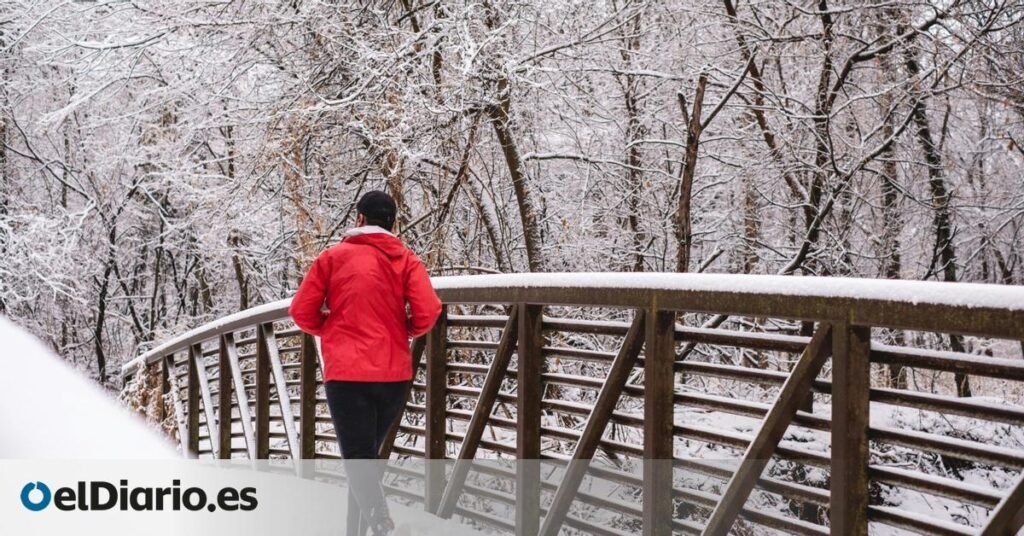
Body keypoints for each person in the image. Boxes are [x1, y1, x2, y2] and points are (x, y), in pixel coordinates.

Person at [289, 190, 441, 535]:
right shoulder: (406, 259)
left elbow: (301, 311)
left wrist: (330, 327)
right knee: (365, 460)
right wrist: (405, 331)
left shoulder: (332, 258)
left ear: (359, 219)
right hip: (392, 375)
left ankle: (382, 524)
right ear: (392, 223)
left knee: (359, 459)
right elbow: (429, 311)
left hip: (346, 376)